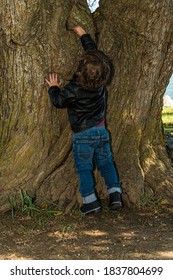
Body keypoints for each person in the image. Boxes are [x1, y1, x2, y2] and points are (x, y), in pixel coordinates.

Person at [45, 25, 123, 215]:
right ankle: (115, 194)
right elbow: (93, 54)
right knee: (106, 163)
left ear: (79, 71)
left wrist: (53, 87)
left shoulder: (73, 88)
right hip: (101, 131)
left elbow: (58, 101)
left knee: (84, 169)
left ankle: (90, 202)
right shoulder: (101, 81)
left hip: (83, 136)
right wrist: (84, 35)